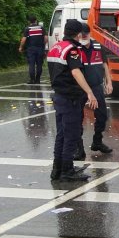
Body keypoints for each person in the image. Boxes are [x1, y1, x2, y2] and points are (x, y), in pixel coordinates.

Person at [47, 19, 98, 181]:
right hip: (71, 98)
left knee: (61, 134)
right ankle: (67, 170)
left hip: (59, 96)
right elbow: (76, 72)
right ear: (78, 34)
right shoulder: (72, 50)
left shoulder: (56, 47)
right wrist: (89, 92)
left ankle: (58, 169)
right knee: (72, 134)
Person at [74, 24, 113, 160]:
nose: (84, 37)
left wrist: (109, 82)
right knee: (77, 117)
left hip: (96, 86)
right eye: (81, 35)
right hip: (80, 88)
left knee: (102, 115)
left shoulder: (97, 46)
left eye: (86, 35)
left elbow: (104, 64)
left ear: (89, 34)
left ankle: (97, 141)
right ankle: (78, 148)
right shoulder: (75, 49)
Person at [19, 15, 46, 84]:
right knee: (39, 64)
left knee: (31, 64)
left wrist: (21, 47)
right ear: (36, 20)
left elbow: (23, 40)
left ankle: (32, 80)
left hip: (31, 49)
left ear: (29, 21)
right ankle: (38, 80)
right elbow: (46, 38)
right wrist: (43, 45)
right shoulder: (41, 28)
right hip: (40, 48)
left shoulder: (27, 29)